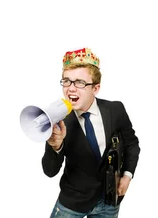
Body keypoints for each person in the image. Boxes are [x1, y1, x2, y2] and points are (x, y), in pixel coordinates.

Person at [42, 47, 141, 217]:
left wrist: (127, 175)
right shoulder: (59, 120)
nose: (71, 89)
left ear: (95, 88)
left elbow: (132, 145)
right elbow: (50, 171)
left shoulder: (115, 110)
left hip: (109, 201)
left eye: (80, 82)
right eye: (66, 81)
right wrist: (55, 147)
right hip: (72, 204)